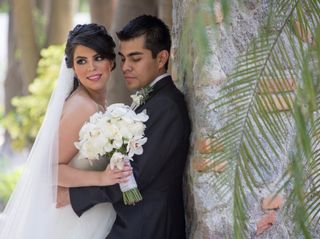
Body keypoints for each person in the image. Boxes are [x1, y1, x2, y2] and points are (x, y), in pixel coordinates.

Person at [0, 23, 132, 239]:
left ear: (111, 61)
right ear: (72, 66)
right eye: (82, 61)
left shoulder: (96, 103)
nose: (91, 68)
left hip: (86, 214)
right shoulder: (83, 106)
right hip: (71, 221)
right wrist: (102, 178)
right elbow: (51, 170)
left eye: (98, 58)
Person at [68, 15, 191, 239]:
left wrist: (74, 197)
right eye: (123, 59)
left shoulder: (167, 106)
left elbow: (135, 175)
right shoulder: (151, 99)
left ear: (162, 57)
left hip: (149, 227)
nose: (126, 67)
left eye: (135, 58)